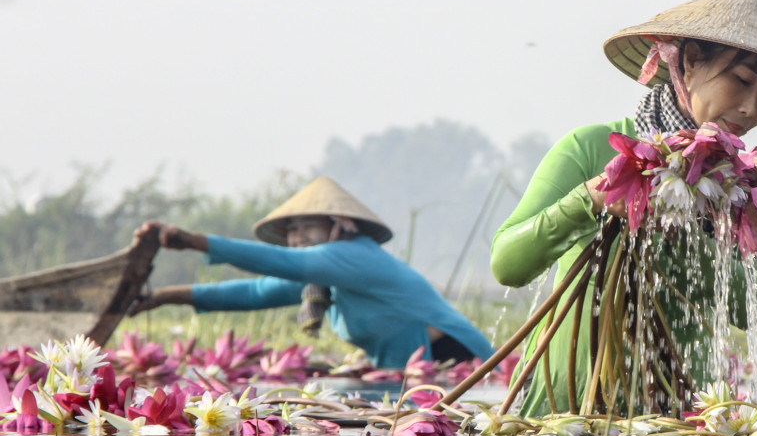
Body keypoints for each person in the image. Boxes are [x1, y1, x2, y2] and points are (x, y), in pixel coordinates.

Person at [490, 0, 757, 416]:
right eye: (743, 81)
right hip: (557, 419)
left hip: (673, 420)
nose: (752, 108)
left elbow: (742, 310)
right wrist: (592, 199)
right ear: (690, 64)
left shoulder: (750, 191)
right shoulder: (593, 148)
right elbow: (508, 265)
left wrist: (710, 221)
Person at [131, 176, 495, 369]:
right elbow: (255, 292)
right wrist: (161, 298)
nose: (297, 236)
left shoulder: (355, 257)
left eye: (308, 226)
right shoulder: (322, 282)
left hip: (458, 362)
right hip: (408, 372)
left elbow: (280, 262)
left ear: (339, 226)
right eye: (292, 229)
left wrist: (194, 240)